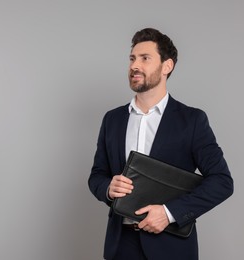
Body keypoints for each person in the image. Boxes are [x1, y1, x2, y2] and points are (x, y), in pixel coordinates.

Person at [88, 28, 234, 260]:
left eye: (145, 58)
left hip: (171, 247)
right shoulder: (112, 119)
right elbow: (97, 175)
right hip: (120, 245)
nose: (135, 65)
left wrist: (169, 213)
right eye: (132, 58)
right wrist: (108, 187)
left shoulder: (192, 120)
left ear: (167, 66)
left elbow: (222, 181)